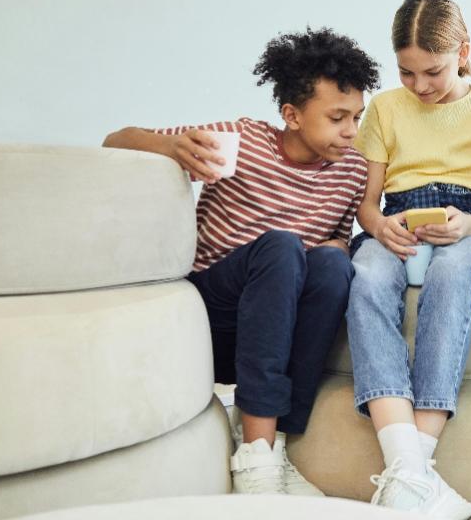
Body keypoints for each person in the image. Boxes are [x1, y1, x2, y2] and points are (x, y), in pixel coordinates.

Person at [103, 28, 380, 496]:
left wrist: (340, 247)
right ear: (292, 115)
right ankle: (256, 457)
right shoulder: (242, 142)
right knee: (280, 246)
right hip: (213, 319)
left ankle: (272, 447)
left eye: (357, 116)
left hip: (275, 332)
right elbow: (114, 141)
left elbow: (336, 240)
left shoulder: (353, 169)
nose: (351, 131)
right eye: (337, 118)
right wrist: (172, 149)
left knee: (334, 267)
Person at [346, 0, 471, 520]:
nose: (419, 86)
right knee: (368, 276)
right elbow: (367, 204)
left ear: (463, 51)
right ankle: (411, 471)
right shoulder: (383, 108)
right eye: (406, 72)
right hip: (396, 220)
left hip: (467, 224)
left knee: (452, 273)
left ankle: (410, 467)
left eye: (434, 71)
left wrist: (468, 224)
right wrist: (379, 226)